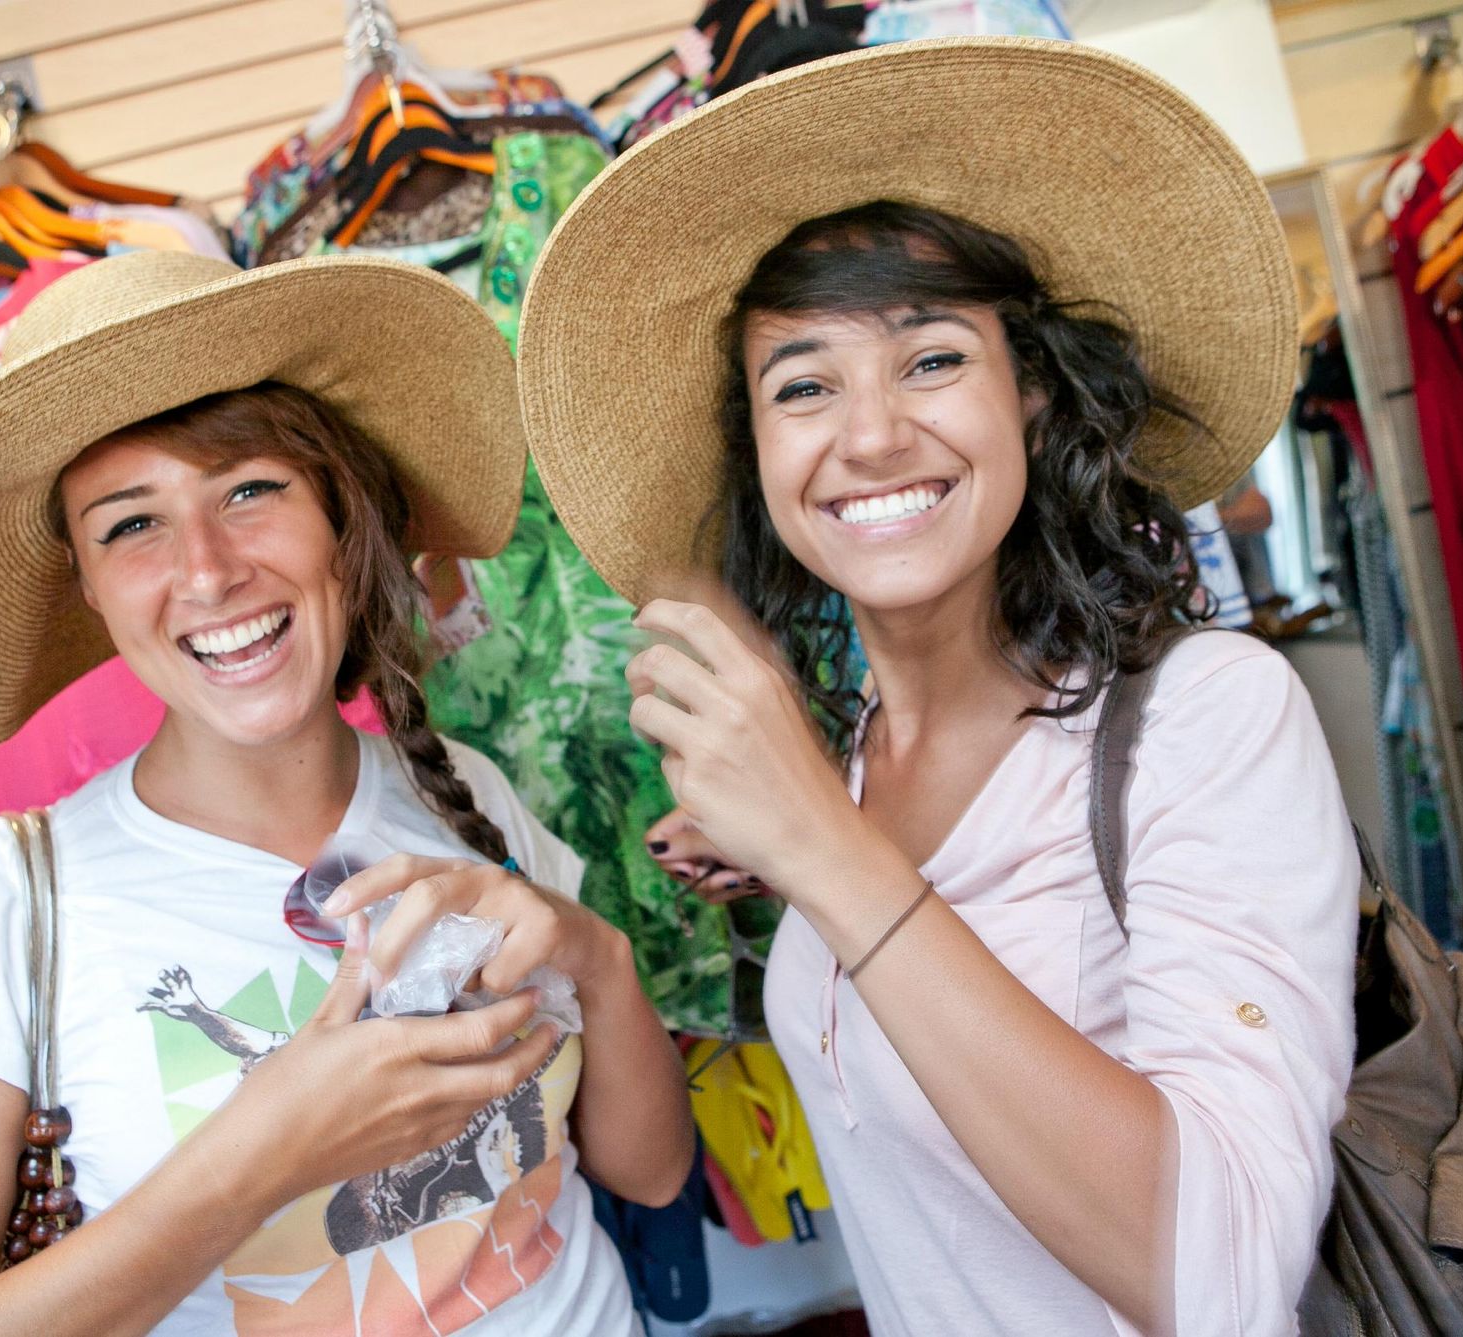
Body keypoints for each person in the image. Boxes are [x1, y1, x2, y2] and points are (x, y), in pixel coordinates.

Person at [517, 37, 1357, 1337]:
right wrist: (797, 844)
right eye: (804, 383)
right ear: (759, 450)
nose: (869, 434)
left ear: (1031, 394)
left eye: (931, 359)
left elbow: (1222, 1278)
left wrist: (825, 849)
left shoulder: (1215, 716)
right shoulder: (851, 756)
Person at [0, 252, 692, 1336]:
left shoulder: (462, 791)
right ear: (85, 586)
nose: (208, 568)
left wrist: (594, 955)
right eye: (131, 523)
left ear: (339, 516)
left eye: (249, 490)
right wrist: (261, 1154)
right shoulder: (5, 899)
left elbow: (650, 1174)